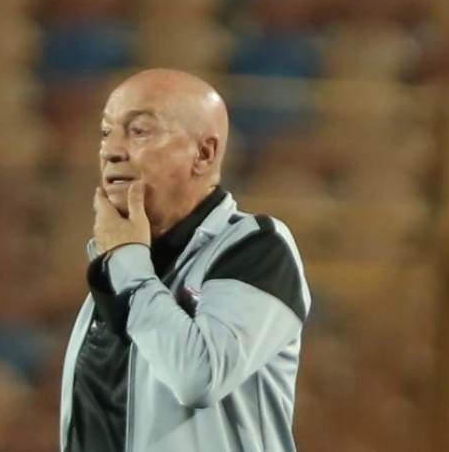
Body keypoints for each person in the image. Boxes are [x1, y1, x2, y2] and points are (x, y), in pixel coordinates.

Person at [60, 68, 311, 452]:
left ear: (204, 154)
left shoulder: (256, 248)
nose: (111, 150)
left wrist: (126, 259)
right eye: (106, 132)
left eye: (139, 131)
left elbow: (198, 377)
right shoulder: (125, 264)